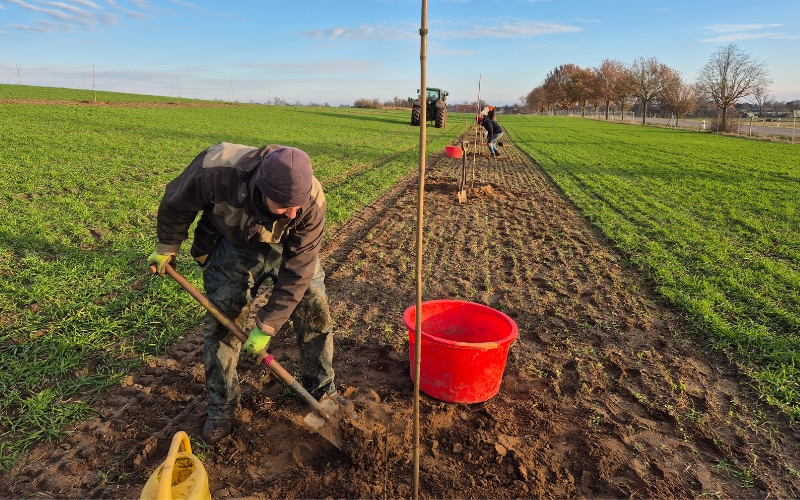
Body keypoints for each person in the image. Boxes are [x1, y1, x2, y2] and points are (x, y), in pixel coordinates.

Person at [147, 142, 335, 443]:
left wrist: (267, 325)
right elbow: (176, 202)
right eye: (284, 205)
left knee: (314, 307)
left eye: (297, 205)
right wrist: (167, 246)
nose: (293, 212)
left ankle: (322, 392)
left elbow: (299, 270)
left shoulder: (310, 200)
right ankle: (223, 406)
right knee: (224, 319)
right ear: (262, 188)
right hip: (231, 240)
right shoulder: (216, 167)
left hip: (286, 245)